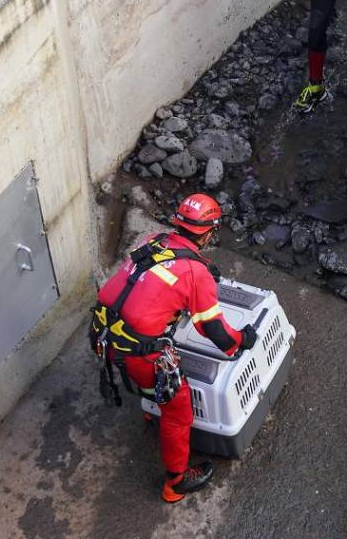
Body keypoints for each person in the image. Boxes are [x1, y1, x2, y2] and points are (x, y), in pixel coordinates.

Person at [89, 193, 257, 503]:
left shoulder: (154, 239)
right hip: (138, 352)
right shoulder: (195, 274)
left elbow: (156, 278)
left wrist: (204, 273)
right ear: (209, 231)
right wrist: (242, 341)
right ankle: (176, 483)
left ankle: (150, 408)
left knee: (148, 375)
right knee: (178, 407)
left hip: (104, 333)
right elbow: (214, 331)